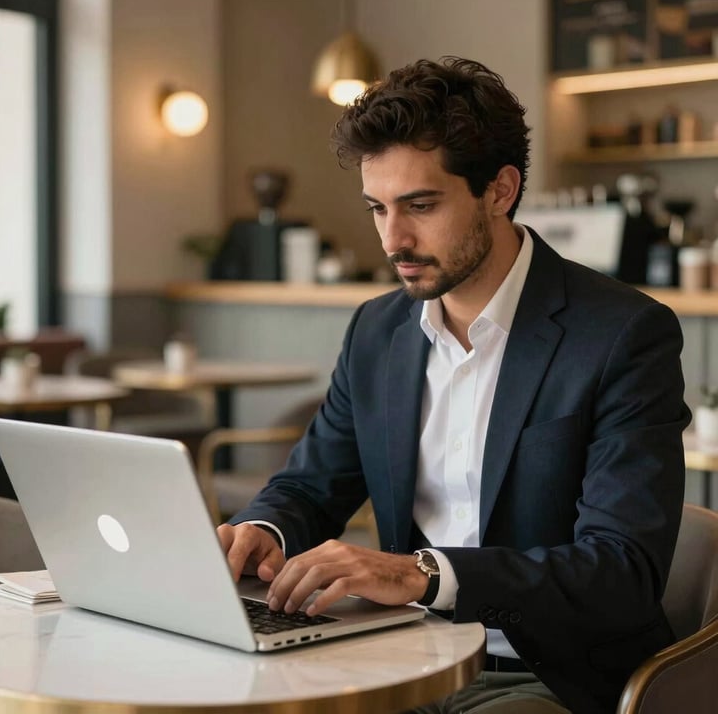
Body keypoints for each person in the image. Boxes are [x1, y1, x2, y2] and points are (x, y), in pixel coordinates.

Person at [216, 57, 690, 714]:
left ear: (499, 189)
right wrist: (260, 530)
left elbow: (621, 572)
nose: (393, 239)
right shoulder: (378, 331)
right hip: (398, 654)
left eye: (420, 205)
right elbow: (310, 487)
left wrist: (421, 574)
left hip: (544, 672)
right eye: (378, 208)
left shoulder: (622, 335)